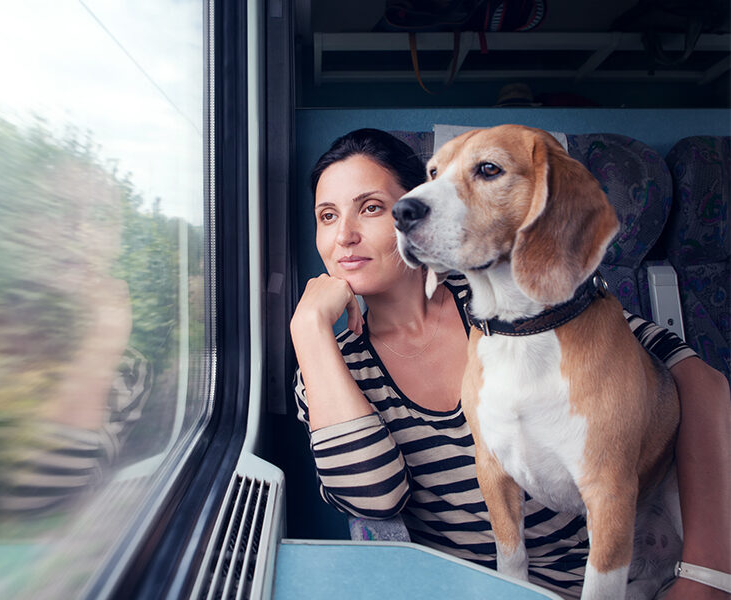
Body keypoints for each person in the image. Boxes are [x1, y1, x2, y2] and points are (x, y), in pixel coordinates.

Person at [290, 128, 731, 599]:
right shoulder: (328, 371)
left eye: (372, 207)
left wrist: (708, 575)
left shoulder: (514, 295)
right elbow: (373, 498)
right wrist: (311, 330)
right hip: (473, 588)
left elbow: (696, 379)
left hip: (599, 572)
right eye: (327, 216)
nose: (344, 237)